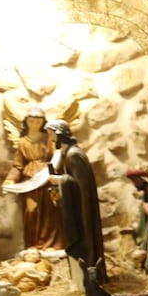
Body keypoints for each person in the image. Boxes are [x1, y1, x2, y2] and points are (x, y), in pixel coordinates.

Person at [46, 119, 107, 287]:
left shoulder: (74, 155)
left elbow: (83, 186)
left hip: (82, 213)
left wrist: (59, 180)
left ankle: (89, 281)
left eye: (52, 135)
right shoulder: (69, 154)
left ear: (59, 135)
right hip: (77, 209)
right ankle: (81, 282)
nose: (51, 140)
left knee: (83, 244)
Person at [2, 106, 64, 251]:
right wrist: (10, 180)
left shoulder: (49, 139)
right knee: (31, 211)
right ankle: (33, 245)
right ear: (26, 122)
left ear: (43, 122)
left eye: (38, 121)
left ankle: (52, 244)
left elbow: (57, 158)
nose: (35, 124)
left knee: (52, 210)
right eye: (31, 121)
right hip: (29, 182)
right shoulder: (23, 142)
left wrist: (54, 174)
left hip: (48, 179)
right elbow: (17, 165)